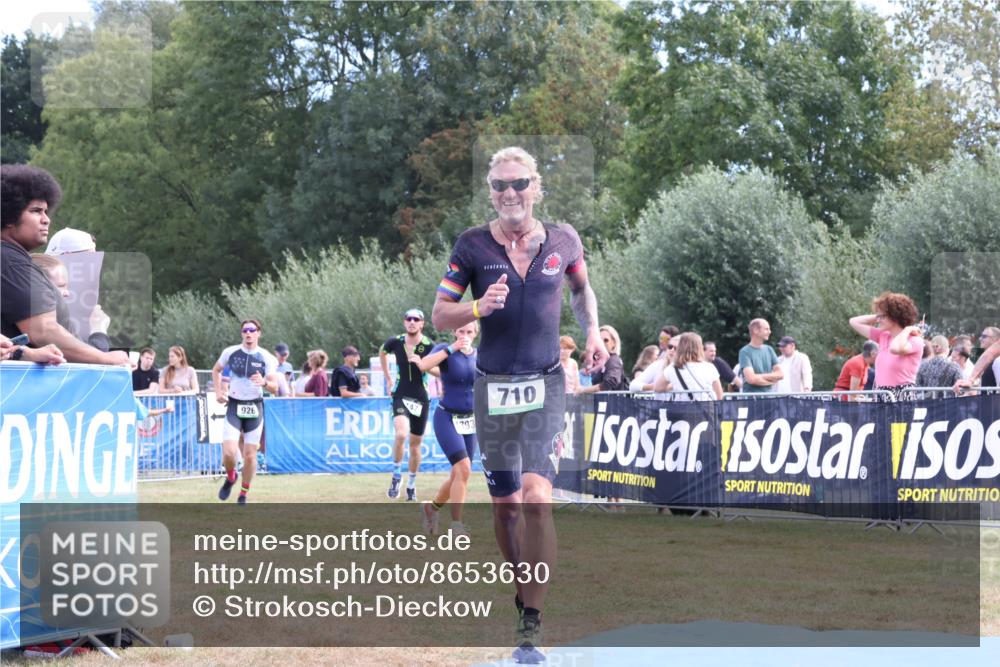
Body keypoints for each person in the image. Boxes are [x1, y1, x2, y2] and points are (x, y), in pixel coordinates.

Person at [432, 145, 608, 664]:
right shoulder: (470, 247)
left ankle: (531, 622)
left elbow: (582, 289)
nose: (511, 193)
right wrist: (477, 307)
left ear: (536, 187)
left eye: (520, 183)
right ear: (491, 192)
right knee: (506, 508)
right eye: (501, 186)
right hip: (492, 388)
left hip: (546, 383)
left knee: (536, 497)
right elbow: (442, 312)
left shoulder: (563, 240)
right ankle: (523, 592)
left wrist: (593, 330)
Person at [0, 165, 127, 366]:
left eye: (46, 211)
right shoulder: (10, 261)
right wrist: (105, 358)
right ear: (8, 216)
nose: (46, 219)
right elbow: (43, 330)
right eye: (36, 211)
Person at [414, 321, 479, 537]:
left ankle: (430, 509)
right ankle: (457, 525)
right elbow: (423, 366)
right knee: (463, 469)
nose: (465, 335)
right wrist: (451, 348)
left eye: (469, 331)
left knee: (459, 474)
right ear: (454, 332)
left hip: (470, 420)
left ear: (476, 333)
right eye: (461, 331)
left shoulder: (479, 355)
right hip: (447, 418)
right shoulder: (445, 349)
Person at [212, 319, 280, 505]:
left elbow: (275, 388)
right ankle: (231, 477)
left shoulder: (267, 358)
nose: (248, 333)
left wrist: (265, 382)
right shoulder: (230, 352)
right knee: (228, 452)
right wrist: (218, 392)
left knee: (250, 455)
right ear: (241, 333)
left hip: (255, 407)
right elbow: (216, 370)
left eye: (252, 330)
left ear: (259, 333)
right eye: (245, 330)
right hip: (234, 405)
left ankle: (243, 493)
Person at [380, 308, 434, 501]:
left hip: (421, 397)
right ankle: (396, 475)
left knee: (415, 445)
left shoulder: (429, 345)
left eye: (416, 319)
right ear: (404, 322)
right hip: (400, 394)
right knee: (401, 434)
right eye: (408, 319)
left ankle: (411, 484)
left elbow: (438, 369)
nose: (412, 322)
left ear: (422, 323)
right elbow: (382, 352)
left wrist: (423, 364)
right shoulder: (396, 341)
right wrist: (387, 378)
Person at [849, 292, 924, 400]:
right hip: (881, 394)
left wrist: (907, 330)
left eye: (882, 316)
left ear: (895, 316)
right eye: (878, 316)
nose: (878, 320)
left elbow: (895, 348)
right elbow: (854, 322)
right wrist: (879, 314)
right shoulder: (883, 336)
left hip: (901, 396)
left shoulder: (915, 340)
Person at [652, 332, 723, 400]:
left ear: (680, 347)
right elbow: (719, 395)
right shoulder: (710, 367)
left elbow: (657, 388)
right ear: (699, 348)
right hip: (705, 409)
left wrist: (674, 386)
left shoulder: (673, 368)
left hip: (682, 409)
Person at [738, 318, 783, 393]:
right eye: (766, 329)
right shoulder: (744, 352)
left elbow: (780, 374)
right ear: (756, 330)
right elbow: (751, 379)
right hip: (752, 399)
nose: (770, 332)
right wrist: (771, 381)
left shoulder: (769, 350)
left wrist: (759, 377)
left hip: (769, 398)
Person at [629, 325, 679, 391]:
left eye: (664, 338)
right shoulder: (659, 363)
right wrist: (655, 387)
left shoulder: (687, 366)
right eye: (660, 338)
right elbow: (633, 385)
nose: (661, 341)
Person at [577, 325, 626, 393]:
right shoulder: (596, 361)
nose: (602, 343)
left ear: (614, 343)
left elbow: (610, 382)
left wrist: (584, 390)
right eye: (599, 340)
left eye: (606, 340)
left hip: (612, 402)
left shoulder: (613, 360)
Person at [954, 328, 1000, 393]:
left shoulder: (997, 361)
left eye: (984, 336)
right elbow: (989, 355)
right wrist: (970, 381)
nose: (980, 339)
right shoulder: (986, 361)